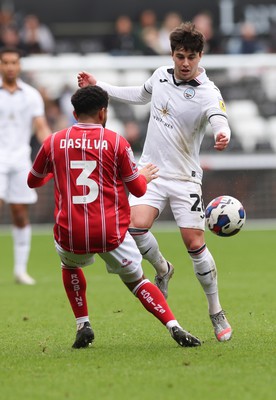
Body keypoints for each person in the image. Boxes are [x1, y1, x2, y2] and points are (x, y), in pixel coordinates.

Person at [77, 22, 233, 342]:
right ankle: (163, 269)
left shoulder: (208, 91)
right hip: (151, 172)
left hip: (185, 177)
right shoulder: (161, 74)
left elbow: (219, 117)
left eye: (191, 56)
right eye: (180, 56)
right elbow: (138, 94)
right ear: (172, 54)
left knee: (194, 244)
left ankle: (216, 311)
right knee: (133, 228)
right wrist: (100, 85)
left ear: (200, 56)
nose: (185, 63)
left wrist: (222, 133)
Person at [27, 85, 201, 349]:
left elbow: (33, 181)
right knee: (137, 280)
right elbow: (139, 190)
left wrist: (59, 173)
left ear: (74, 113)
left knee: (70, 266)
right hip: (110, 232)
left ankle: (83, 324)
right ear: (103, 112)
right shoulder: (116, 141)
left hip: (71, 231)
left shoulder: (53, 141)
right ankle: (174, 326)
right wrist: (142, 176)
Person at [0, 46, 51, 284]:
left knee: (20, 213)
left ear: (19, 65)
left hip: (20, 159)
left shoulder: (31, 94)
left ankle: (20, 270)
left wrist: (52, 147)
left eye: (14, 62)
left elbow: (40, 126)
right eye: (5, 62)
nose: (10, 66)